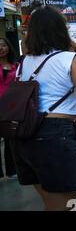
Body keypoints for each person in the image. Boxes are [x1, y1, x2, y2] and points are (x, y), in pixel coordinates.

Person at [10, 6, 76, 211]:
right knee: (65, 204)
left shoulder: (24, 62)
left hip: (23, 134)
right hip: (54, 134)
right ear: (60, 30)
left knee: (51, 203)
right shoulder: (68, 59)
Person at [0, 38, 18, 180]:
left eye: (3, 45)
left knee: (10, 138)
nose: (1, 48)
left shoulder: (16, 66)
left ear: (8, 48)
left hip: (11, 107)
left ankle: (12, 171)